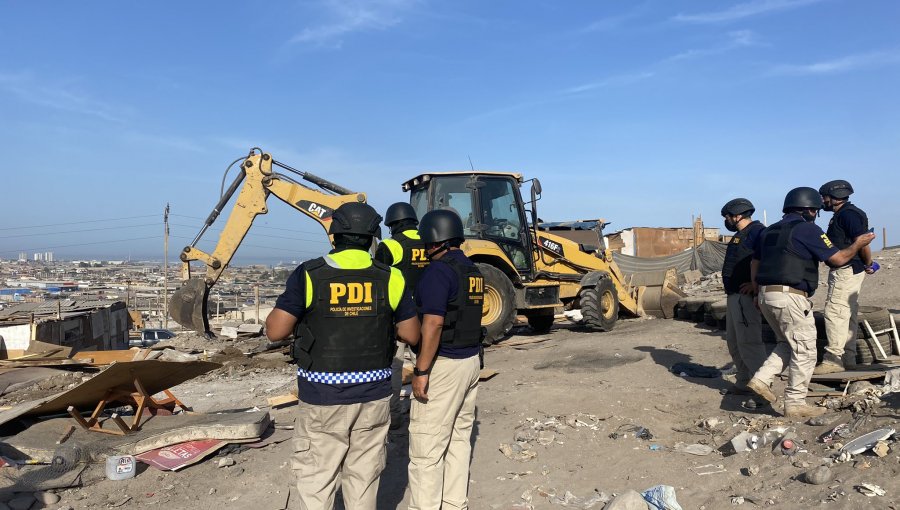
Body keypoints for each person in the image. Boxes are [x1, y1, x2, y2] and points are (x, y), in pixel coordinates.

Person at [265, 202, 420, 510]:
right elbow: (411, 335)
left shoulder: (309, 274)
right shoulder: (390, 277)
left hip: (322, 395)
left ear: (333, 236)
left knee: (316, 478)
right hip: (373, 395)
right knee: (363, 478)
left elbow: (275, 331)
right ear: (373, 236)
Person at [746, 187, 874, 419]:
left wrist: (756, 293)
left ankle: (761, 379)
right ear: (809, 210)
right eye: (815, 210)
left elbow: (754, 263)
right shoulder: (807, 229)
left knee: (787, 343)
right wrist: (858, 244)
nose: (816, 214)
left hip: (766, 295)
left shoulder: (770, 230)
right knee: (805, 350)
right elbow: (837, 259)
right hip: (790, 296)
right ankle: (795, 403)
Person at [408, 209, 483, 510]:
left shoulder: (439, 272)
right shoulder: (472, 270)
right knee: (458, 440)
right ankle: (455, 504)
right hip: (470, 363)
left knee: (427, 449)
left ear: (433, 239)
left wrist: (421, 370)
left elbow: (433, 324)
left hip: (445, 366)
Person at [375, 202, 430, 431]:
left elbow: (377, 280)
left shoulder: (390, 246)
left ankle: (395, 416)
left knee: (395, 366)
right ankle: (425, 413)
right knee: (424, 364)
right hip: (427, 315)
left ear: (392, 225)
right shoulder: (430, 241)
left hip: (398, 317)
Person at [814, 180, 876, 374]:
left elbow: (863, 241)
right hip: (850, 269)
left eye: (824, 197)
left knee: (835, 311)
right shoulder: (845, 214)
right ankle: (848, 359)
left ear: (835, 196)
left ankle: (833, 359)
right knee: (848, 314)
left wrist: (868, 263)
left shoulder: (848, 215)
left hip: (847, 269)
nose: (822, 201)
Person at [719, 198, 767, 403]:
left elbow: (765, 260)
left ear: (737, 215)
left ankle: (762, 387)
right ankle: (744, 380)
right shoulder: (740, 235)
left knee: (749, 342)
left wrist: (755, 286)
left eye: (728, 217)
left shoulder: (758, 232)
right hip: (733, 296)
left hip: (746, 297)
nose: (726, 220)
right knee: (734, 342)